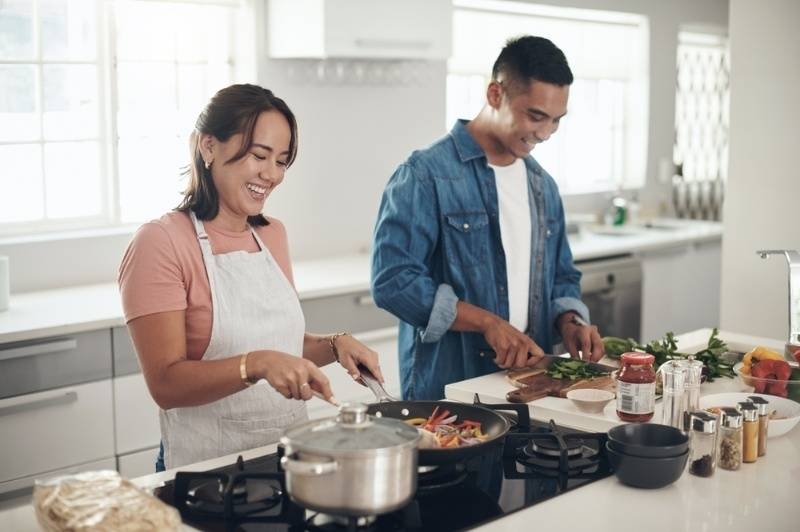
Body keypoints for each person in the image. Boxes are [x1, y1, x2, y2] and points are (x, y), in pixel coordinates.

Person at [118, 84, 384, 470]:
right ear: (209, 147)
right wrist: (255, 363)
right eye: (260, 155)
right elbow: (165, 384)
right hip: (206, 472)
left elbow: (280, 348)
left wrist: (334, 345)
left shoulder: (272, 233)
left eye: (282, 160)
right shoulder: (160, 242)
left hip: (289, 460)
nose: (272, 175)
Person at [371, 36, 603, 401]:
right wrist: (487, 323)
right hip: (450, 387)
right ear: (495, 94)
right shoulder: (425, 174)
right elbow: (393, 282)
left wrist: (570, 322)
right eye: (535, 116)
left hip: (530, 386)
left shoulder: (542, 186)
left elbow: (561, 277)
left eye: (557, 121)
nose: (545, 133)